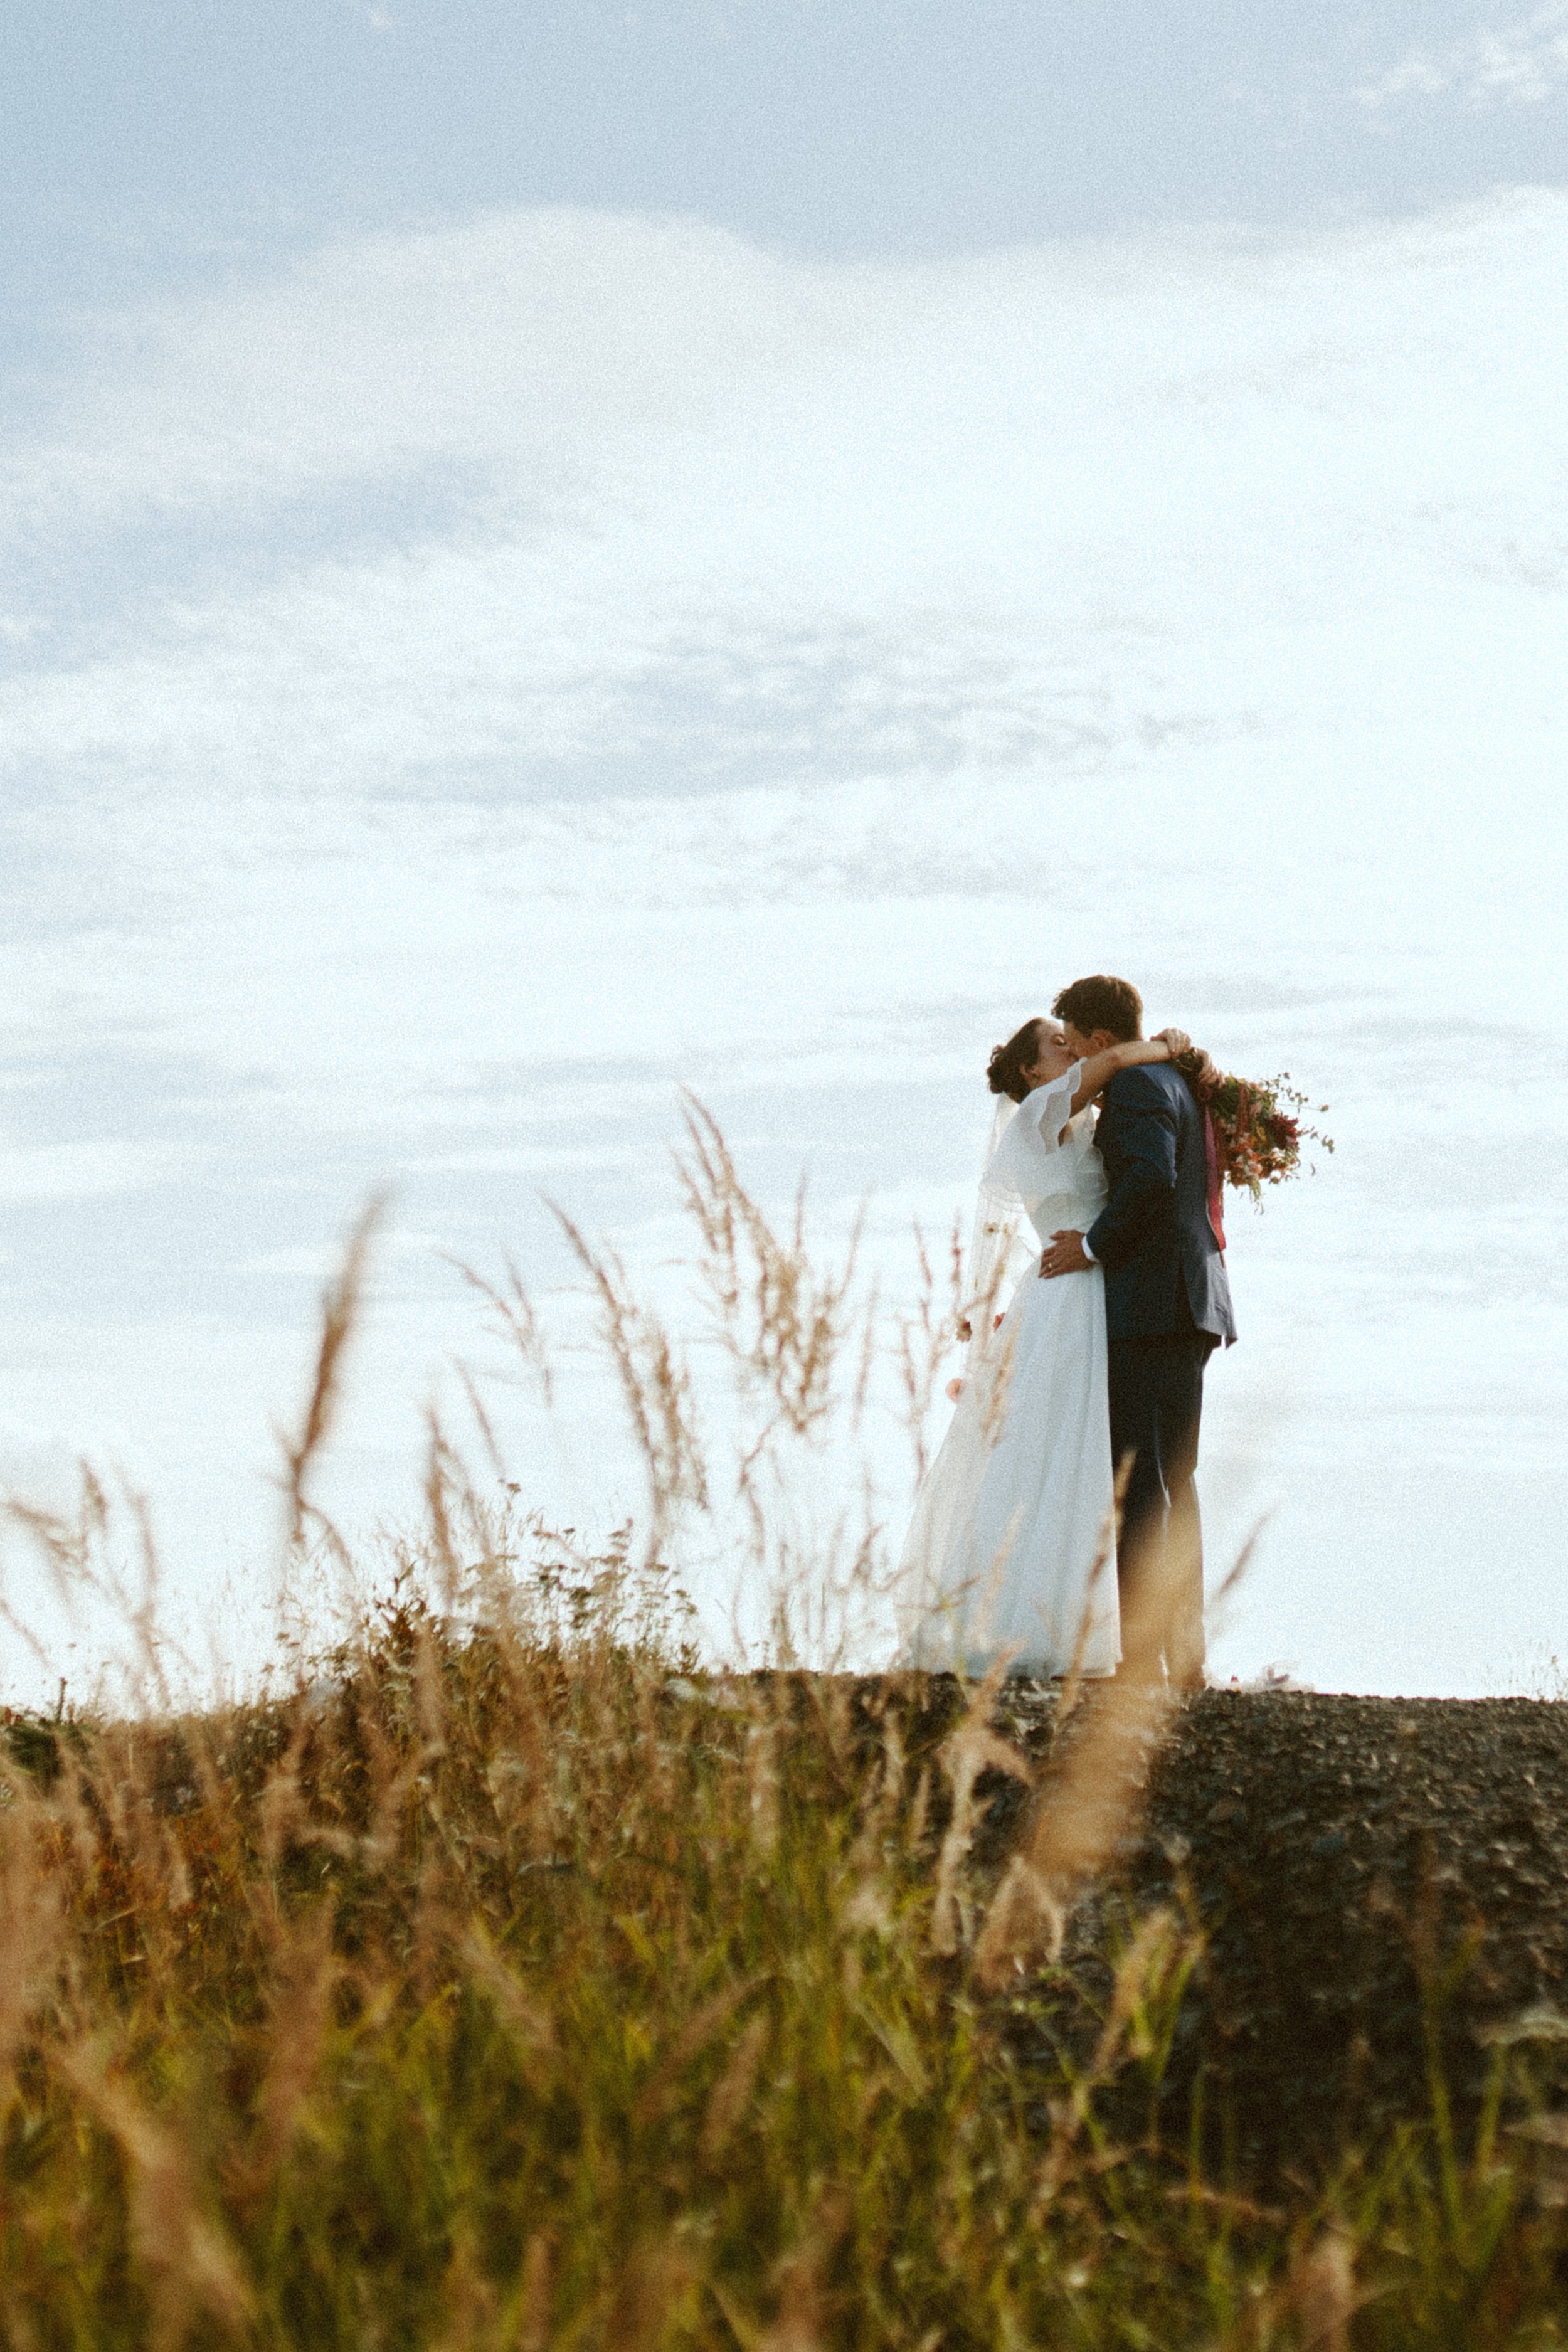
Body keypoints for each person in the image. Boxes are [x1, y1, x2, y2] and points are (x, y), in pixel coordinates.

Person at [894, 1012, 1190, 1680]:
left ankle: (1069, 1616)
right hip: (1071, 1288)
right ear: (1031, 1070)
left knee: (1068, 1450)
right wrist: (1169, 1047)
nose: (1073, 1047)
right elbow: (1110, 1064)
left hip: (1080, 1279)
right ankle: (1029, 1620)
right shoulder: (1039, 1110)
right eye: (1057, 1043)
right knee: (1064, 1446)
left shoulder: (1071, 1120)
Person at [1039, 974, 1236, 1688]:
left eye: (1073, 1042)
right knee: (1175, 1479)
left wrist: (1090, 1246)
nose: (1073, 1055)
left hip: (1151, 1307)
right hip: (1191, 1303)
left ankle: (1146, 1656)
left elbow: (1149, 1181)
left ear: (1098, 1041)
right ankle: (1184, 1653)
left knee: (1139, 1483)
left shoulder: (1132, 1090)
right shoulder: (1180, 1082)